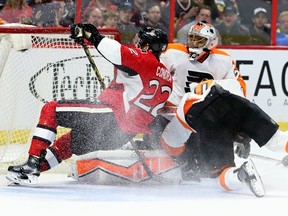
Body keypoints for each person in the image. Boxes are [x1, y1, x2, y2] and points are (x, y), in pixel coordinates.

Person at [6, 24, 172, 185]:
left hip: (110, 118)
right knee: (68, 143)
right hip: (120, 136)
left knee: (51, 109)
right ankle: (30, 171)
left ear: (147, 46)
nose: (136, 45)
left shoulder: (144, 60)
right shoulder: (167, 77)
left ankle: (32, 162)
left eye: (140, 42)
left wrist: (93, 36)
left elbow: (117, 53)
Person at [159, 78, 288, 198]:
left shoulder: (185, 104)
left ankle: (241, 174)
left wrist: (187, 159)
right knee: (277, 140)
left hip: (206, 115)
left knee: (220, 174)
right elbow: (234, 110)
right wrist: (244, 136)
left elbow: (170, 143)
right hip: (236, 101)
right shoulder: (222, 82)